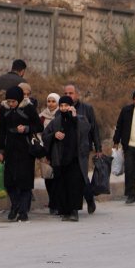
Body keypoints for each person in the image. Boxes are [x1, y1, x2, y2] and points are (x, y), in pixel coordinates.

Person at [45, 95, 92, 221]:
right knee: (62, 185)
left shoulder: (80, 119)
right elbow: (46, 135)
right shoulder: (56, 121)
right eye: (62, 106)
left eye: (66, 105)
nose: (64, 108)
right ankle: (65, 211)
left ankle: (74, 211)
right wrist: (54, 135)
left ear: (71, 106)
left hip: (76, 159)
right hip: (60, 159)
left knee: (74, 186)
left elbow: (86, 130)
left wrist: (75, 117)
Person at [0, 87, 41, 222]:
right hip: (10, 150)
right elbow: (1, 131)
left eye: (13, 101)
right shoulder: (4, 110)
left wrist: (26, 128)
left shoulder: (28, 108)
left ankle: (23, 211)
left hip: (26, 150)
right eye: (9, 101)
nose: (11, 104)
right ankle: (14, 206)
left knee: (24, 182)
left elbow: (39, 126)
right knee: (9, 182)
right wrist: (0, 151)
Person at [63, 84, 103, 214]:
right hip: (68, 151)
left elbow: (94, 129)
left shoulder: (87, 109)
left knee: (82, 177)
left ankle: (89, 199)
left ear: (77, 95)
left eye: (71, 93)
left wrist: (98, 148)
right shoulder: (62, 109)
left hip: (82, 150)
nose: (68, 96)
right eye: (66, 93)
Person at [39, 93, 61, 215]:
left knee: (58, 178)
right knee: (48, 178)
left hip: (58, 151)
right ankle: (52, 202)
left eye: (53, 101)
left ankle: (57, 203)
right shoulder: (42, 117)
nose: (51, 104)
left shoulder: (61, 115)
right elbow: (38, 133)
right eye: (49, 101)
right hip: (46, 151)